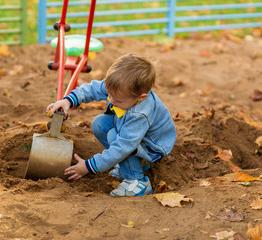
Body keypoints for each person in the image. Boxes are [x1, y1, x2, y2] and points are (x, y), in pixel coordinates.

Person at [46, 53, 176, 197]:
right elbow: (93, 89)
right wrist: (68, 101)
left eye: (118, 100)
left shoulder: (139, 114)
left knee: (114, 136)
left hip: (153, 144)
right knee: (99, 124)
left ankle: (137, 181)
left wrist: (89, 166)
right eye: (109, 95)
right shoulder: (118, 88)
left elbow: (123, 146)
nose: (112, 100)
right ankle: (134, 163)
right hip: (132, 132)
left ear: (140, 97)